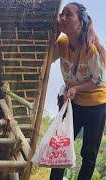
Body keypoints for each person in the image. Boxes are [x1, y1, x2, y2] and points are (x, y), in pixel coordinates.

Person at [50, 2, 106, 180]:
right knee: (60, 147)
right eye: (62, 15)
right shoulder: (63, 42)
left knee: (89, 153)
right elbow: (48, 58)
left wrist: (76, 88)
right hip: (73, 102)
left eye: (69, 15)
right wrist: (56, 33)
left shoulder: (91, 48)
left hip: (97, 104)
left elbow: (97, 80)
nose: (63, 18)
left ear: (80, 24)